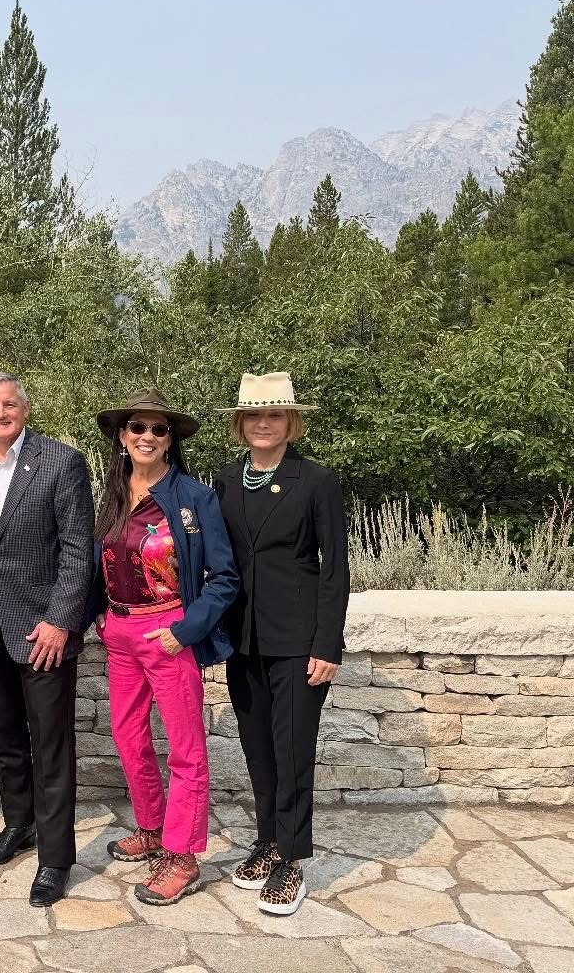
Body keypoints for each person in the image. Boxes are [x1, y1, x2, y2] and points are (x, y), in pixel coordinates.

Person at [0, 372, 96, 908]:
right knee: (7, 738)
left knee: (51, 745)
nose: (1, 412)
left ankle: (56, 858)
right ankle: (19, 825)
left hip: (43, 631)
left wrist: (60, 621)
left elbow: (79, 551)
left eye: (10, 404)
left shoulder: (61, 462)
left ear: (25, 410)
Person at [92, 389, 239, 906]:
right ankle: (152, 829)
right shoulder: (110, 494)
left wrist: (185, 630)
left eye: (158, 430)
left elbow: (224, 578)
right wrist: (99, 618)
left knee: (185, 748)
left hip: (171, 632)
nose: (147, 437)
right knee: (129, 738)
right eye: (138, 428)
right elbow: (100, 563)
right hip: (121, 634)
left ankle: (182, 854)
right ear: (122, 436)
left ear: (171, 440)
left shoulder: (193, 497)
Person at [214, 372, 348, 916]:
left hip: (297, 642)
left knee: (293, 752)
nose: (262, 424)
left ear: (290, 422)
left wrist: (328, 645)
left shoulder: (315, 481)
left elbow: (335, 570)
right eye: (253, 415)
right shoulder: (224, 480)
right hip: (242, 640)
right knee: (258, 750)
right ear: (241, 424)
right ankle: (267, 840)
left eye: (273, 415)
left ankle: (291, 860)